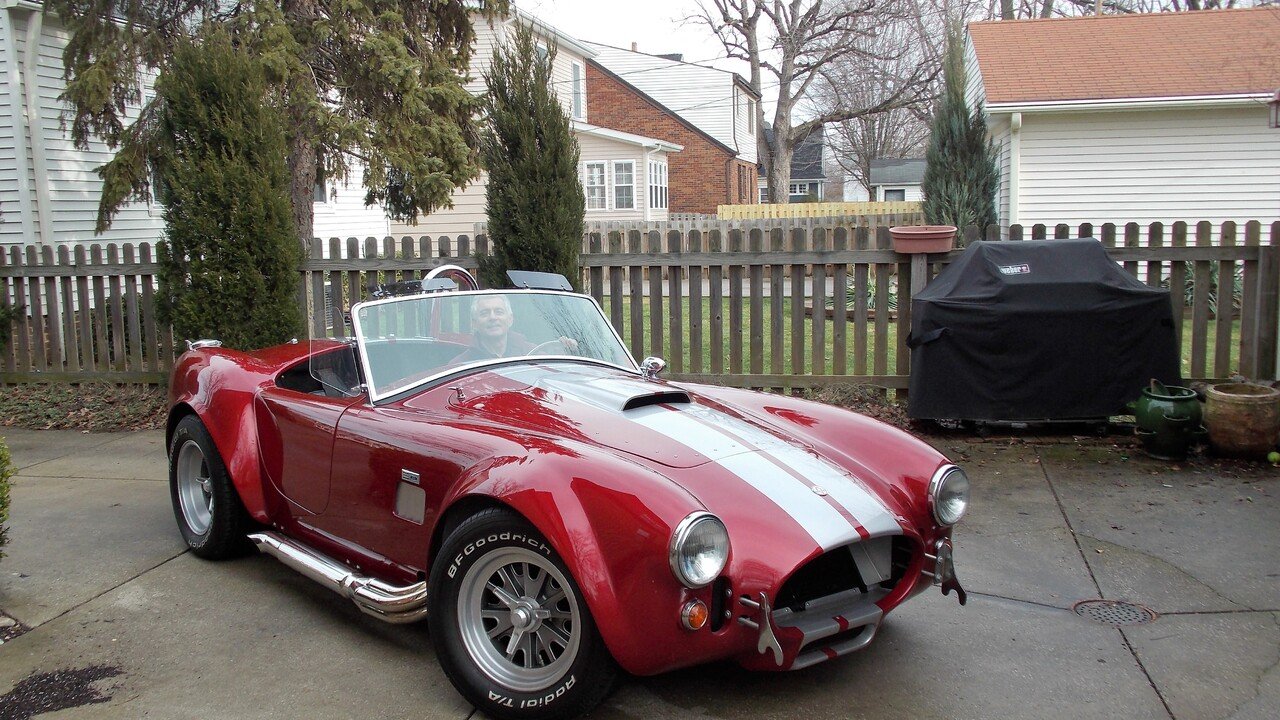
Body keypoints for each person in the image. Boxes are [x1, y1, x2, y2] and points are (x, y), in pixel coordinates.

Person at [451, 294, 578, 363]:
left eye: (499, 311)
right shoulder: (460, 365)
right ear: (474, 323)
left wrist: (567, 351)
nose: (493, 317)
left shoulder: (530, 352)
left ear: (510, 319)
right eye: (485, 313)